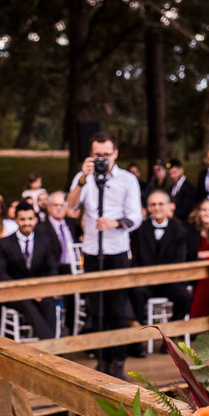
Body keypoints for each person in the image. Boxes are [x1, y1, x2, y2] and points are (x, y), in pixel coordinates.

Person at [68, 131, 142, 379]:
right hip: (91, 251)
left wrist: (115, 223)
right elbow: (71, 205)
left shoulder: (128, 179)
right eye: (97, 154)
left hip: (117, 251)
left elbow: (135, 217)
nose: (102, 159)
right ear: (91, 154)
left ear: (115, 154)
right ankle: (101, 359)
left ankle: (118, 360)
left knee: (117, 308)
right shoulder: (84, 177)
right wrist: (82, 180)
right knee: (95, 307)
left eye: (106, 154)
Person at [128, 190, 193, 348]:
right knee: (135, 293)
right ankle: (137, 341)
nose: (157, 207)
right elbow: (134, 260)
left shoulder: (180, 231)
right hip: (146, 282)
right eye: (153, 204)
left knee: (184, 297)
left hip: (170, 282)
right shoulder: (139, 230)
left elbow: (179, 261)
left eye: (160, 204)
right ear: (148, 208)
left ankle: (170, 338)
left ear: (169, 207)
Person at [0, 202, 60, 339]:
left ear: (35, 220)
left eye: (30, 219)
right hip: (16, 293)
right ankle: (51, 345)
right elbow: (1, 274)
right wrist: (25, 290)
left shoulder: (44, 241)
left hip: (40, 290)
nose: (27, 223)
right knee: (27, 304)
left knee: (49, 303)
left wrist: (40, 288)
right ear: (16, 220)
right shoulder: (3, 243)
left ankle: (48, 344)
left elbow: (52, 268)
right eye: (22, 219)